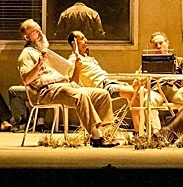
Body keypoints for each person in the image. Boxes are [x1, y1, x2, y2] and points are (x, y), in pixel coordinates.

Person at [16, 19, 117, 147]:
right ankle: (96, 137)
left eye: (40, 30)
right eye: (35, 32)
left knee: (102, 94)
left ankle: (106, 133)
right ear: (26, 37)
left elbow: (72, 81)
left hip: (64, 86)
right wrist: (39, 64)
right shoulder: (27, 54)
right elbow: (26, 79)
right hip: (47, 90)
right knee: (80, 95)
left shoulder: (44, 52)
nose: (40, 33)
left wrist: (77, 68)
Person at [67, 30, 144, 133]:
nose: (86, 40)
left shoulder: (89, 58)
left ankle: (139, 130)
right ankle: (139, 131)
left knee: (139, 92)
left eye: (85, 37)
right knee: (134, 93)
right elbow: (72, 83)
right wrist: (77, 66)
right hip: (103, 87)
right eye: (81, 39)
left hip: (110, 81)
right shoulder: (73, 60)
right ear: (74, 43)